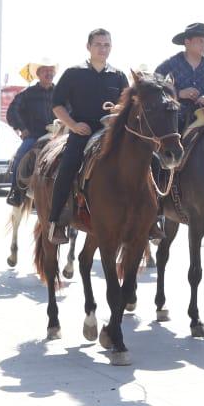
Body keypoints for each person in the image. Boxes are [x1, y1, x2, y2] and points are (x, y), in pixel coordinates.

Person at [46, 29, 130, 245]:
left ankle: (152, 220)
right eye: (99, 44)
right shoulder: (74, 73)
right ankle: (57, 222)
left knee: (148, 161)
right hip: (82, 130)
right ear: (88, 47)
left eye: (107, 45)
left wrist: (119, 108)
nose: (103, 49)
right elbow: (57, 105)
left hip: (112, 131)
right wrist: (73, 125)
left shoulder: (118, 76)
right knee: (67, 167)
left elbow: (127, 105)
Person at [4, 58, 56, 207]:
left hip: (58, 135)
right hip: (35, 135)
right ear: (38, 74)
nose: (49, 73)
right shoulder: (27, 93)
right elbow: (12, 111)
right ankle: (16, 191)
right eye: (45, 70)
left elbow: (70, 110)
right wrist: (23, 128)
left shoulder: (60, 92)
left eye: (51, 70)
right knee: (20, 155)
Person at [156, 22, 204, 130]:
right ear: (187, 42)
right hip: (174, 125)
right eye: (200, 41)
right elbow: (154, 89)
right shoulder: (170, 64)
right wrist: (178, 93)